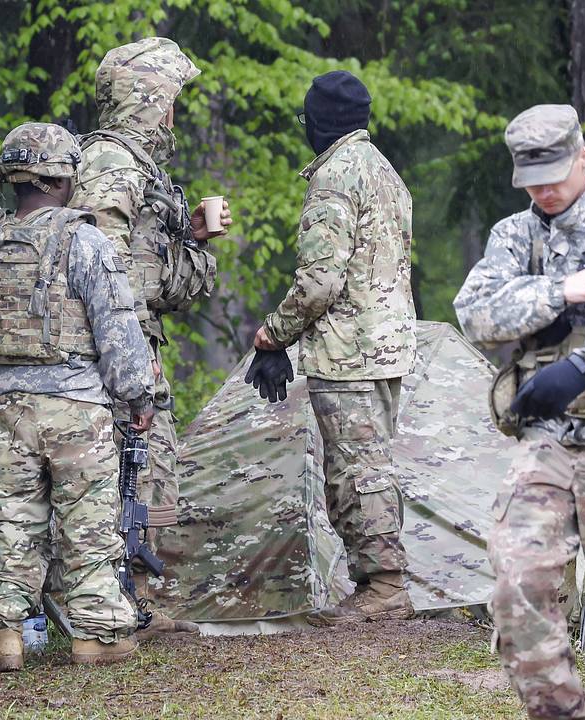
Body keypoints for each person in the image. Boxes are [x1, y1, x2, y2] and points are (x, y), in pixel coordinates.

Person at [0, 122, 155, 671]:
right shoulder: (82, 238)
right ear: (62, 176)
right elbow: (116, 327)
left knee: (14, 521)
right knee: (88, 523)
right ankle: (94, 637)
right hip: (75, 406)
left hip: (5, 406)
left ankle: (6, 635)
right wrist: (138, 398)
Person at [248, 71, 416, 626]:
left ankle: (384, 588)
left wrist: (273, 334)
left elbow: (320, 281)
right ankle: (381, 581)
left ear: (318, 122)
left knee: (355, 472)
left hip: (348, 353)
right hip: (387, 345)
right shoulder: (385, 170)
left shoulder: (335, 178)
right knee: (373, 466)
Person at [69, 37, 227, 616]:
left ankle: (135, 593)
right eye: (171, 101)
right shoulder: (112, 162)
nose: (175, 115)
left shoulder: (140, 167)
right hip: (116, 353)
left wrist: (194, 241)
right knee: (129, 470)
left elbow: (161, 281)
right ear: (150, 100)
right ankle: (115, 599)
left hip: (133, 346)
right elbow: (103, 270)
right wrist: (129, 358)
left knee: (148, 471)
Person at [454, 103, 585, 719]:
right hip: (551, 441)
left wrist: (583, 366)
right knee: (517, 577)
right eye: (530, 181)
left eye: (554, 177)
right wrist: (563, 291)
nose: (543, 191)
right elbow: (477, 313)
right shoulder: (516, 234)